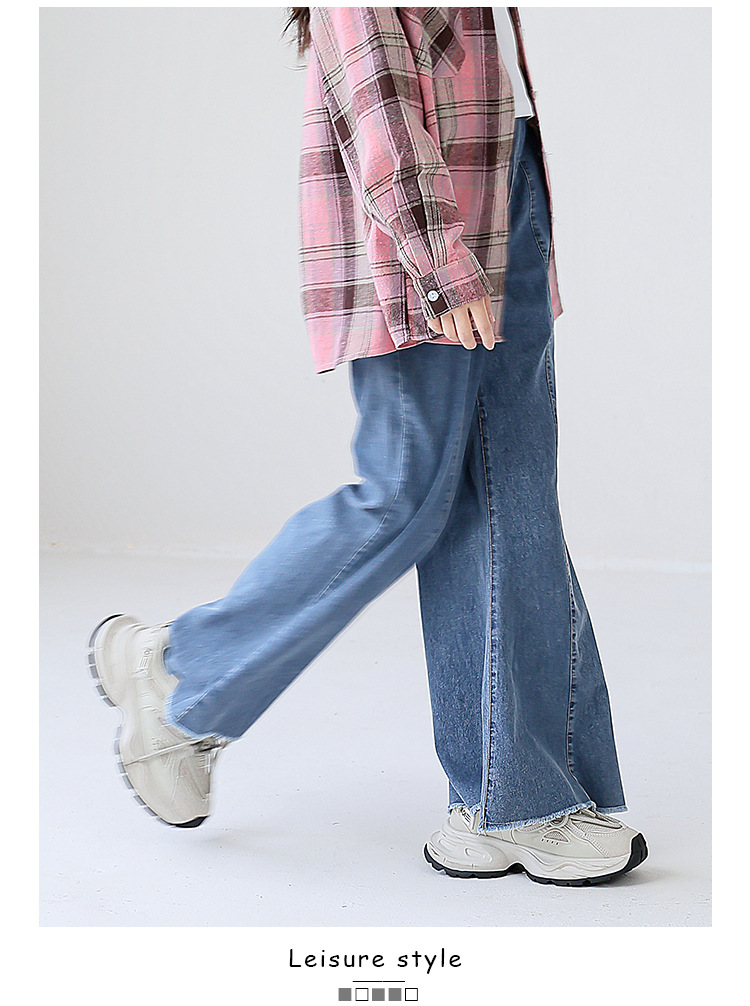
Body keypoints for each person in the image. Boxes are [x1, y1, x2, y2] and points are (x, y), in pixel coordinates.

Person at [88, 7, 648, 887]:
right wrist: (441, 260)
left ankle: (511, 800)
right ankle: (180, 671)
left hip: (503, 177)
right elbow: (374, 89)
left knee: (512, 498)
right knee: (404, 494)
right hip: (423, 228)